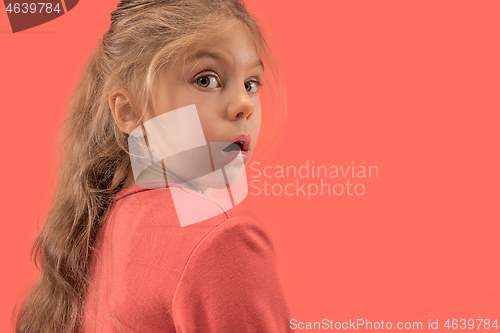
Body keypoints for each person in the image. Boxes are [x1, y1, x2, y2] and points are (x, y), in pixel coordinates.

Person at [14, 0, 292, 332]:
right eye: (206, 80)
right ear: (128, 111)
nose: (244, 104)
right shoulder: (223, 240)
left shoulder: (95, 229)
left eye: (251, 84)